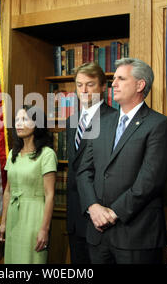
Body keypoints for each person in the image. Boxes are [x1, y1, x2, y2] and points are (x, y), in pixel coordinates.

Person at [77, 57, 167, 264]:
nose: (114, 84)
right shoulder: (101, 122)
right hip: (98, 233)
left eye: (121, 79)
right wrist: (93, 207)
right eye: (114, 79)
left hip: (136, 236)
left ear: (140, 84)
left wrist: (113, 213)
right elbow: (84, 170)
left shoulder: (159, 125)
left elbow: (150, 180)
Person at [66, 62, 116, 264]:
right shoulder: (72, 121)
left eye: (90, 84)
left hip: (99, 214)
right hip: (75, 215)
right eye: (79, 85)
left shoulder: (114, 119)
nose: (84, 90)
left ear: (103, 86)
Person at [0, 105, 57, 264]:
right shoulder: (13, 153)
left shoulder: (47, 154)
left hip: (35, 217)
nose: (19, 124)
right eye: (17, 120)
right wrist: (3, 223)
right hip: (14, 219)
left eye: (24, 119)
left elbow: (50, 195)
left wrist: (44, 229)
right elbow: (8, 191)